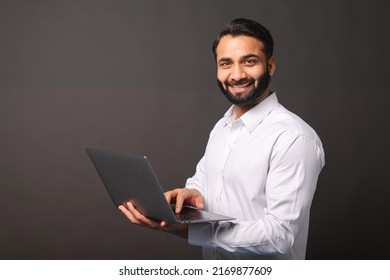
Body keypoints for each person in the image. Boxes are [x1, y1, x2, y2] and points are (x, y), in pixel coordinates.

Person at [119, 18, 325, 260]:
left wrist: (191, 230)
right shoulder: (223, 126)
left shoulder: (294, 137)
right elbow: (205, 183)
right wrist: (188, 194)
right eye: (226, 63)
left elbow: (280, 235)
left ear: (270, 66)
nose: (237, 75)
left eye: (249, 61)